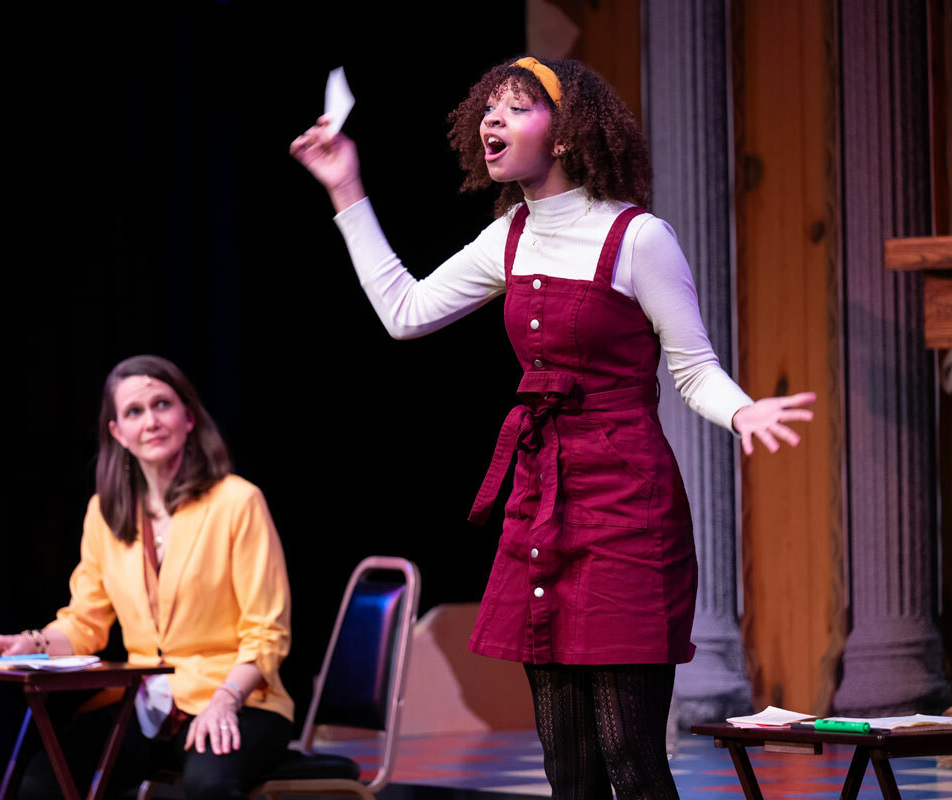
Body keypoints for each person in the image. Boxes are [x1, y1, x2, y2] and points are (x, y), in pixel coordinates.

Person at [291, 57, 814, 800]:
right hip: (541, 499)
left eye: (516, 108)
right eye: (488, 109)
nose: (491, 121)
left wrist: (743, 409)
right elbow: (404, 313)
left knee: (629, 755)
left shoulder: (639, 237)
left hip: (627, 505)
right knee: (567, 765)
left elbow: (692, 368)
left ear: (567, 134)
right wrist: (345, 186)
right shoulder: (507, 236)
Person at [0, 355, 293, 800]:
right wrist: (28, 644)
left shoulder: (238, 501)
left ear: (188, 418)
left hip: (237, 695)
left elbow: (266, 632)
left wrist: (224, 701)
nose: (151, 420)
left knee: (209, 785)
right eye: (135, 411)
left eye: (162, 405)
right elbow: (85, 623)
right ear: (117, 432)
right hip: (143, 702)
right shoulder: (105, 512)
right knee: (42, 783)